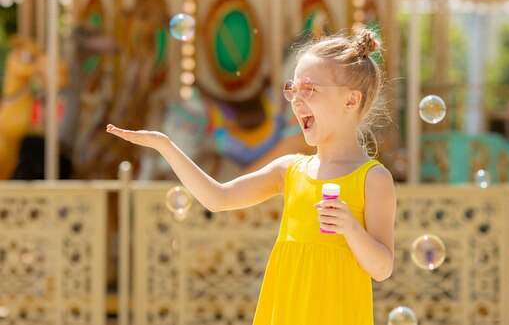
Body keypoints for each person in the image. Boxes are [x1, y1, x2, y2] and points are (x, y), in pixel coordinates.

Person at [106, 26, 396, 325]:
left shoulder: (373, 179)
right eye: (292, 90)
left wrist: (351, 227)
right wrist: (165, 145)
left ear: (351, 101)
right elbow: (218, 198)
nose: (295, 101)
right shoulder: (289, 170)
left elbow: (382, 267)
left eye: (308, 89)